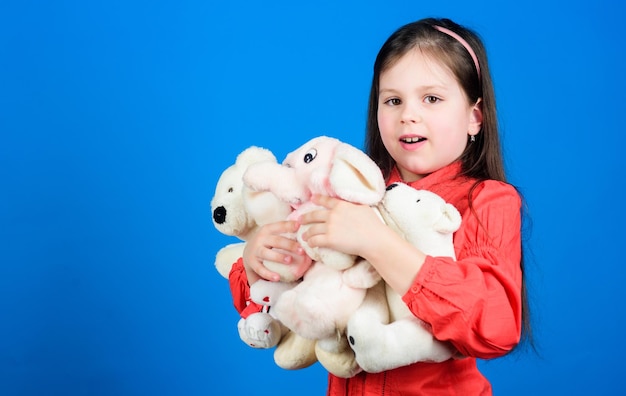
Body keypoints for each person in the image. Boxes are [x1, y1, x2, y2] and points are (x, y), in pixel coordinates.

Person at [229, 17, 531, 395]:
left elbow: (497, 325)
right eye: (393, 100)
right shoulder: (350, 192)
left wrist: (377, 242)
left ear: (474, 117)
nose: (408, 114)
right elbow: (293, 298)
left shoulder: (488, 201)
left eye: (432, 98)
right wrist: (259, 261)